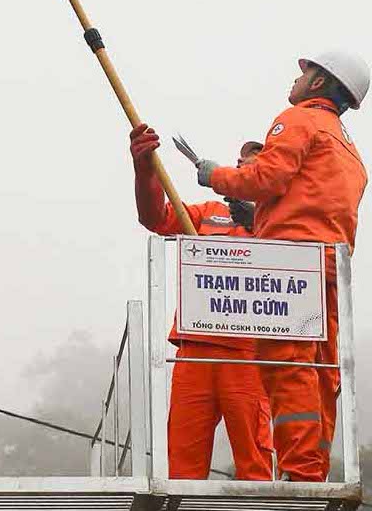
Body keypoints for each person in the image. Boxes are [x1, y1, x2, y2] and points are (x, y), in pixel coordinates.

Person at [193, 51, 370, 482]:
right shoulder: (348, 147)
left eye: (305, 71)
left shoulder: (299, 120)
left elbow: (265, 179)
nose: (296, 77)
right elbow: (313, 202)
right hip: (329, 268)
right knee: (322, 374)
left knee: (289, 369)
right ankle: (311, 470)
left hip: (290, 266)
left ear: (318, 83)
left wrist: (214, 176)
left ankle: (300, 474)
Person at [129, 125, 273, 480]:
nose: (241, 166)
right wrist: (145, 171)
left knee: (255, 463)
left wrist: (259, 221)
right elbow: (155, 218)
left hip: (251, 352)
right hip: (194, 348)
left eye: (252, 164)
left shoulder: (285, 220)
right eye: (239, 162)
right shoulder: (209, 211)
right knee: (181, 466)